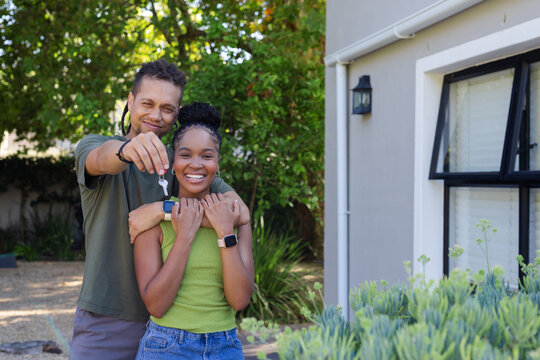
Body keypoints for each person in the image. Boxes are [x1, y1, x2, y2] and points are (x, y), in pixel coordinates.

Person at [71, 60, 248, 359]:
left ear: (176, 114)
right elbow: (100, 159)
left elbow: (236, 211)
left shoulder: (184, 163)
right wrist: (126, 151)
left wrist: (160, 209)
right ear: (131, 101)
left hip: (171, 323)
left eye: (167, 108)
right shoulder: (98, 145)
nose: (156, 115)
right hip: (108, 321)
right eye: (147, 103)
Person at [133, 102, 254, 359]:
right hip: (167, 346)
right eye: (186, 155)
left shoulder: (234, 220)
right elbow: (156, 305)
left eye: (207, 156)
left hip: (226, 346)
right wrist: (184, 237)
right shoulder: (153, 222)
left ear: (217, 163)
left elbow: (240, 300)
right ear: (173, 162)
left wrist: (224, 233)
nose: (196, 164)